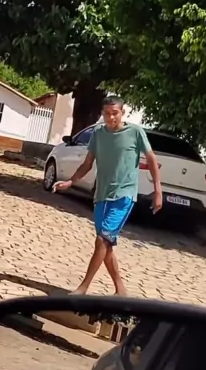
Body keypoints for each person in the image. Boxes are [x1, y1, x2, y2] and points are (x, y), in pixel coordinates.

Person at [53, 96, 162, 295]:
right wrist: (70, 181)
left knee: (102, 240)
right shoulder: (98, 134)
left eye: (115, 113)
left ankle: (83, 287)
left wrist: (158, 191)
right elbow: (87, 164)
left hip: (124, 195)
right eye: (107, 113)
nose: (111, 117)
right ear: (102, 114)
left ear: (123, 112)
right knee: (106, 245)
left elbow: (152, 160)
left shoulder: (135, 132)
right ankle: (120, 289)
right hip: (101, 195)